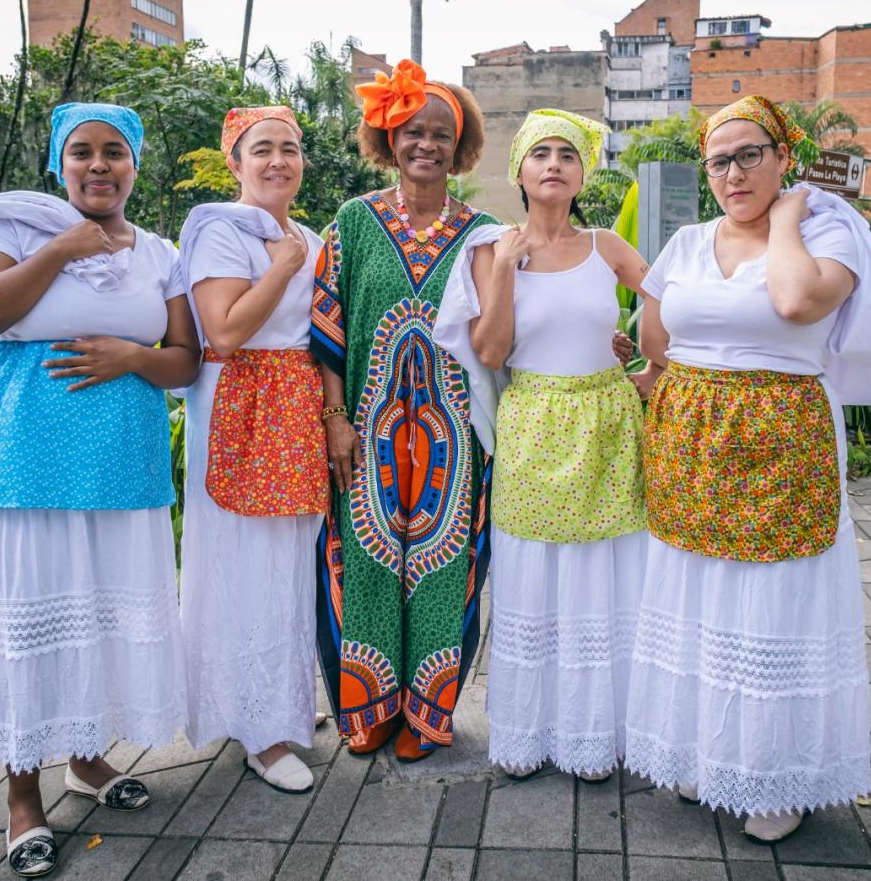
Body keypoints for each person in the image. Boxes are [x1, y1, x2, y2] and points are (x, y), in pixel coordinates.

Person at [0, 103, 199, 877]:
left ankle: (88, 762)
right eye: (83, 153)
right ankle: (21, 795)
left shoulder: (159, 253)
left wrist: (132, 357)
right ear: (60, 166)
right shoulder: (17, 228)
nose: (99, 166)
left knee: (100, 615)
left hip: (124, 465)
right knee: (31, 619)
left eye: (115, 153)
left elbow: (186, 359)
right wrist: (62, 248)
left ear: (136, 166)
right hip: (32, 460)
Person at [622, 95, 871, 841]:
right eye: (718, 160)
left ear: (784, 158)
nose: (732, 173)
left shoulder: (828, 233)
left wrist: (785, 221)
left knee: (773, 602)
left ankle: (771, 777)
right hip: (692, 438)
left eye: (750, 154)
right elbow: (656, 340)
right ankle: (702, 751)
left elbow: (793, 301)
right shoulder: (687, 243)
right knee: (696, 597)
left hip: (784, 437)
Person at [436, 110, 661, 782]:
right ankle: (529, 735)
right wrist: (506, 268)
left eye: (567, 153)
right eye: (541, 154)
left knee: (603, 573)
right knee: (533, 573)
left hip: (608, 423)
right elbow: (492, 349)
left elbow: (673, 300)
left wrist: (655, 365)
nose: (554, 163)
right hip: (533, 422)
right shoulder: (489, 249)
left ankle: (598, 734)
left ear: (582, 171)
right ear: (521, 173)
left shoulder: (606, 247)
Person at [310, 59, 497, 762]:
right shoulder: (353, 223)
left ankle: (427, 716)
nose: (426, 143)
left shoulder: (483, 234)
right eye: (412, 130)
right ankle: (372, 709)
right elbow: (328, 333)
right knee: (367, 564)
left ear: (460, 144)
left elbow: (508, 327)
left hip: (456, 439)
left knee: (444, 572)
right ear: (388, 137)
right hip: (367, 433)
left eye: (441, 133)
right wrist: (335, 418)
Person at [177, 105, 327, 794]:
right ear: (234, 163)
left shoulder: (306, 233)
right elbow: (226, 331)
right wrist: (285, 266)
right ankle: (258, 732)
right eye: (261, 149)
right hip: (242, 401)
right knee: (244, 561)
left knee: (288, 560)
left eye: (290, 149)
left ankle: (279, 704)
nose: (278, 161)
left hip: (293, 403)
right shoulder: (221, 229)